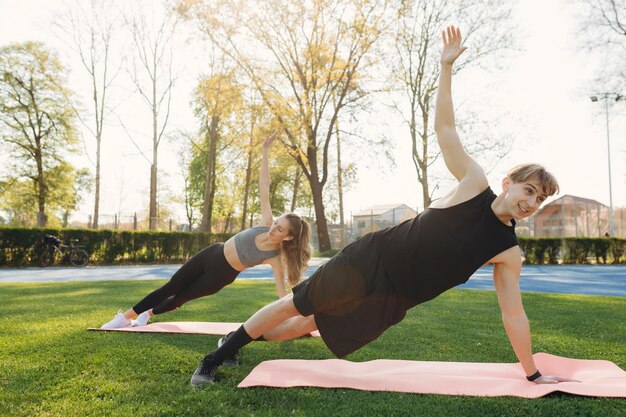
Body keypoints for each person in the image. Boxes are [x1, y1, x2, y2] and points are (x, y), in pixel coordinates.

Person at [189, 26, 578, 387]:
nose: (531, 202)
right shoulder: (474, 184)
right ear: (509, 183)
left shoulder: (508, 252)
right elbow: (446, 130)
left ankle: (234, 338)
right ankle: (214, 358)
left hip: (395, 298)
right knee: (294, 305)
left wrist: (533, 374)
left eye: (540, 199)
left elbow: (513, 314)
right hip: (371, 259)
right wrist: (445, 68)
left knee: (303, 326)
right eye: (528, 190)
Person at [100, 133, 312, 330]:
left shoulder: (274, 258)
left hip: (222, 275)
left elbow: (282, 293)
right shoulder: (265, 222)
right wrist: (265, 151)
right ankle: (124, 318)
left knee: (179, 299)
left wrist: (293, 318)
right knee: (171, 286)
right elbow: (264, 185)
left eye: (280, 229)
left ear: (289, 237)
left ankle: (148, 313)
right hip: (213, 253)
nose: (274, 227)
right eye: (276, 222)